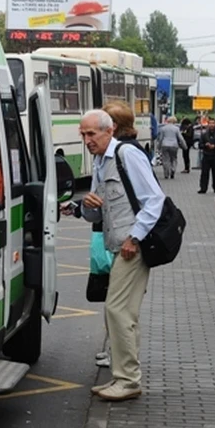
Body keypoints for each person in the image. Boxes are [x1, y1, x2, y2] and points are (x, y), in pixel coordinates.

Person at [79, 109, 166, 402]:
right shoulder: (100, 161)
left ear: (109, 131)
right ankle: (124, 375)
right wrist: (86, 206)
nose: (87, 140)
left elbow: (155, 199)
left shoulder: (126, 155)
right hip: (117, 245)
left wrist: (135, 238)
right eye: (83, 134)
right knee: (123, 311)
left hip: (133, 247)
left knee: (116, 309)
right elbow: (95, 213)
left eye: (92, 134)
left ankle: (128, 380)